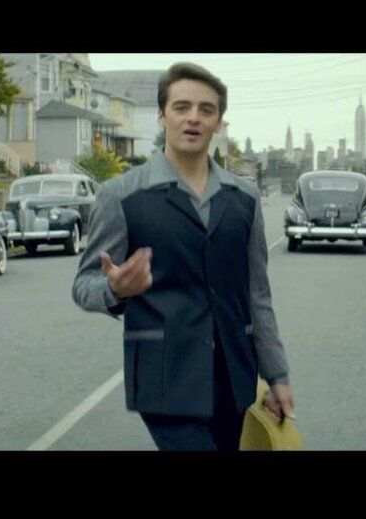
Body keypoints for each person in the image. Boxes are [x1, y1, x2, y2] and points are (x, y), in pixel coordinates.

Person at [72, 62, 294, 451]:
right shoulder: (121, 195)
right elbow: (83, 285)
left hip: (235, 377)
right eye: (181, 107)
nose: (193, 118)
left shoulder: (244, 198)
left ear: (218, 123)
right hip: (164, 379)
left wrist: (277, 375)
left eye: (206, 110)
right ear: (162, 116)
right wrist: (114, 288)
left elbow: (257, 295)